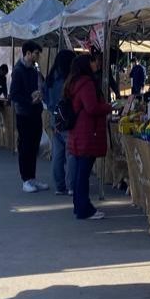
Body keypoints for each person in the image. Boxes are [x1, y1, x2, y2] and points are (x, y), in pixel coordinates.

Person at [65, 53, 113, 219]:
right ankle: (84, 208)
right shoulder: (86, 84)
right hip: (87, 132)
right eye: (93, 61)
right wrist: (108, 107)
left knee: (81, 172)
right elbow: (92, 108)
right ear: (87, 64)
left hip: (79, 132)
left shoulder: (73, 82)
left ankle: (79, 207)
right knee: (83, 174)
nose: (96, 64)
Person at [10, 41, 47, 192]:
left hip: (35, 112)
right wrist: (30, 99)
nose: (38, 57)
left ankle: (32, 177)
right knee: (25, 147)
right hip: (24, 114)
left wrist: (38, 95)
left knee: (34, 146)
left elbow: (36, 89)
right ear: (28, 53)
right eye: (36, 54)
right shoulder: (18, 71)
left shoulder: (33, 70)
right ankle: (25, 179)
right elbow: (14, 94)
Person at [44, 50, 76, 195]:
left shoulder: (50, 78)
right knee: (71, 154)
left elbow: (45, 98)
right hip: (67, 119)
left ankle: (59, 186)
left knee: (57, 154)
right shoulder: (68, 79)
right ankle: (71, 186)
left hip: (53, 118)